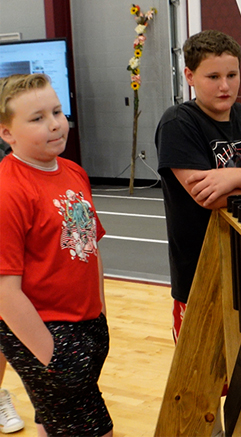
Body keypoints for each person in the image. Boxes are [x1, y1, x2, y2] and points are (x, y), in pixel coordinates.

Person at [155, 30, 241, 341]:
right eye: (213, 76)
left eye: (232, 75)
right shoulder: (178, 123)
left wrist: (233, 176)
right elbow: (207, 197)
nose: (224, 86)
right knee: (200, 378)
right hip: (201, 276)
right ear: (190, 76)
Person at [0, 73, 113, 436]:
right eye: (37, 119)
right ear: (7, 133)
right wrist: (52, 355)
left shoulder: (73, 171)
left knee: (54, 423)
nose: (54, 125)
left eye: (57, 112)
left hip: (86, 324)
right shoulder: (8, 190)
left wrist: (100, 313)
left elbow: (90, 245)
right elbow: (4, 291)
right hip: (48, 331)